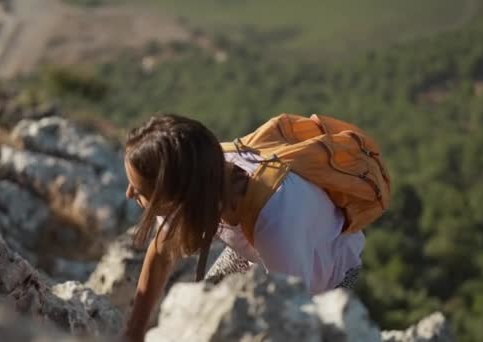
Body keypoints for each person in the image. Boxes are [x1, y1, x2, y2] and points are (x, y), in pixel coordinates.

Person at [120, 113, 369, 341]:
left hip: (326, 271)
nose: (129, 193)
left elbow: (291, 311)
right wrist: (133, 335)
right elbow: (161, 255)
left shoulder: (276, 223)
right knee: (201, 317)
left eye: (140, 191)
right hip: (254, 248)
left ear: (177, 195)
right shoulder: (201, 174)